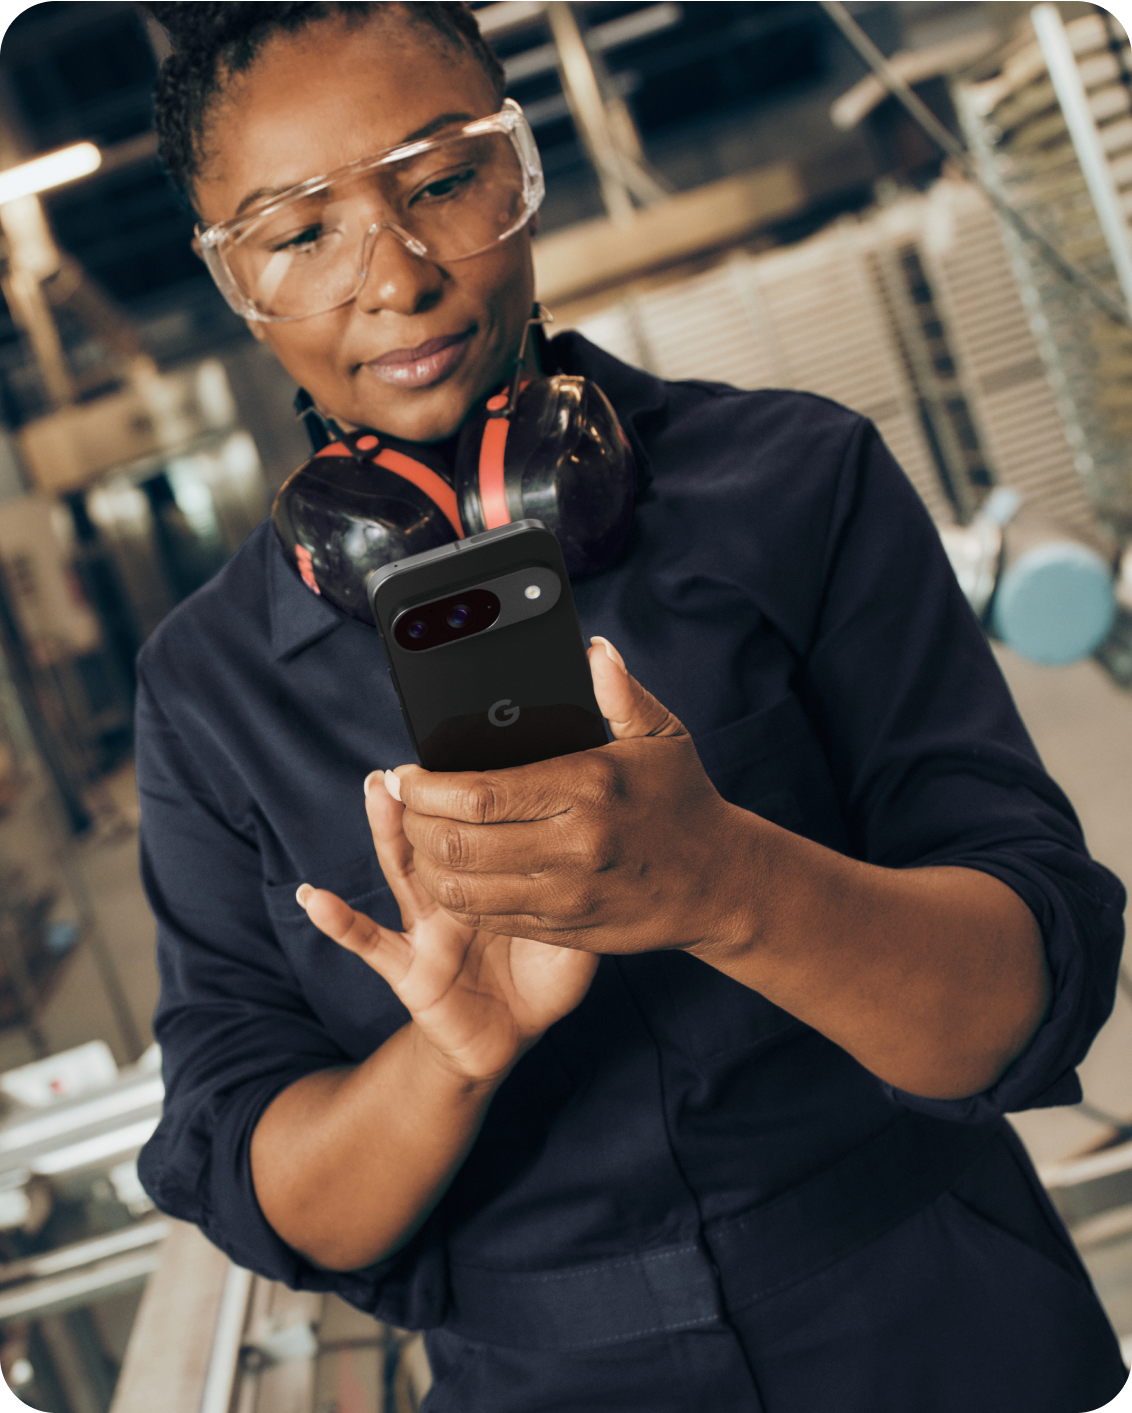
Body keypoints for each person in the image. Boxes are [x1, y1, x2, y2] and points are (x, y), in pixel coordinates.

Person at [134, 4, 1129, 1410]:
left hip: (940, 1314)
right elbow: (273, 1185)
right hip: (545, 1378)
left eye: (440, 182)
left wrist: (729, 882)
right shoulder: (208, 680)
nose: (397, 279)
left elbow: (1020, 997)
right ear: (233, 279)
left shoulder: (800, 481)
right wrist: (450, 1055)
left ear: (521, 169)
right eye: (300, 234)